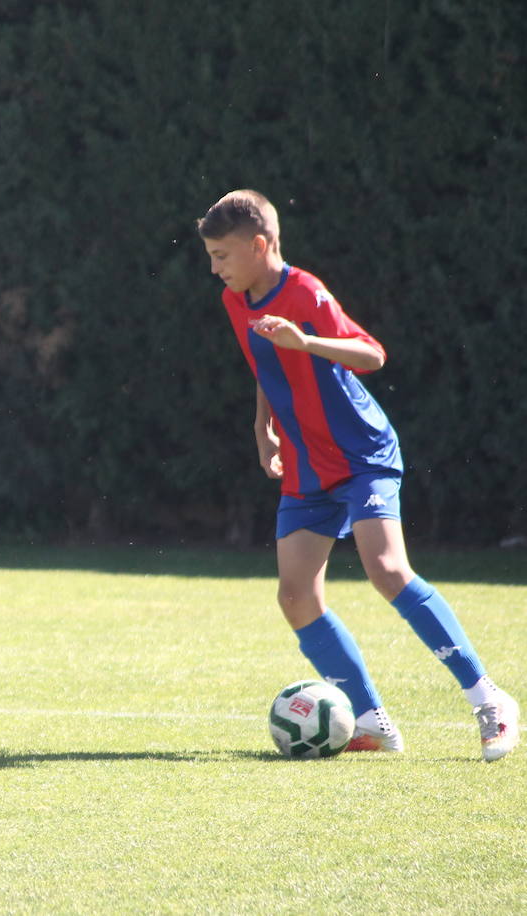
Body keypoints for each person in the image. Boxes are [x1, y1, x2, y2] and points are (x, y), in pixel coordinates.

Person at [197, 189, 518, 762]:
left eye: (222, 254)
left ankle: (489, 699)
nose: (214, 266)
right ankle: (372, 722)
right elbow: (264, 364)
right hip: (304, 465)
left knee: (388, 570)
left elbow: (371, 355)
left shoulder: (305, 292)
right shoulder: (236, 300)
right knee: (296, 596)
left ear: (259, 245)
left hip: (359, 454)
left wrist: (307, 340)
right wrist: (261, 425)